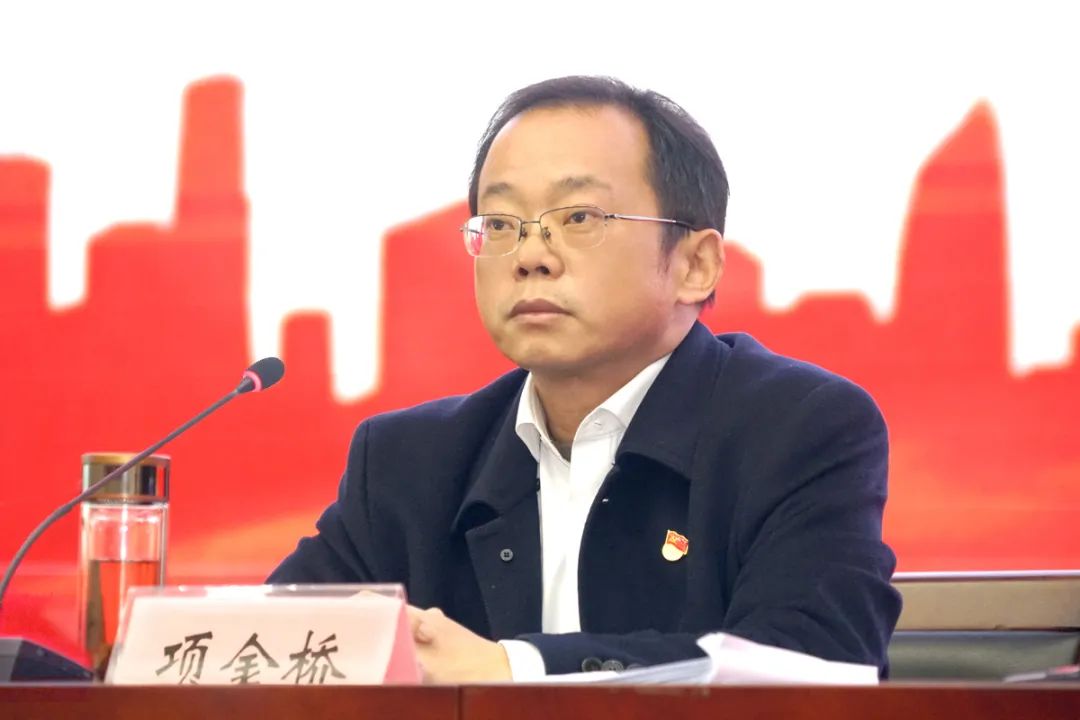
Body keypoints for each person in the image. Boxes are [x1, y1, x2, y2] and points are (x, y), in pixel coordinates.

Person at [268, 76, 901, 682]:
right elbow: (266, 648)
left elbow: (816, 662)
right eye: (501, 224)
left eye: (578, 218)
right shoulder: (408, 460)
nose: (530, 256)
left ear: (696, 265)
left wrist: (513, 670)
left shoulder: (800, 428)